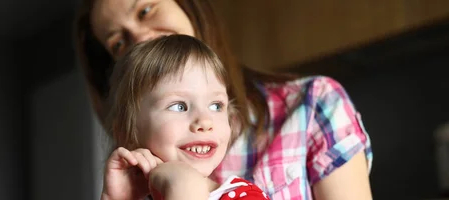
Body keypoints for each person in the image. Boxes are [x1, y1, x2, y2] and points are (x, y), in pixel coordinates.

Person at [74, 0, 373, 199]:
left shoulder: (313, 102)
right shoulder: (136, 180)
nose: (140, 38)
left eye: (145, 11)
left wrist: (192, 190)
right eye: (118, 42)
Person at [102, 34, 269, 200]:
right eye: (179, 106)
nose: (205, 121)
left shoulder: (245, 196)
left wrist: (184, 186)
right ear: (126, 134)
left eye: (216, 106)